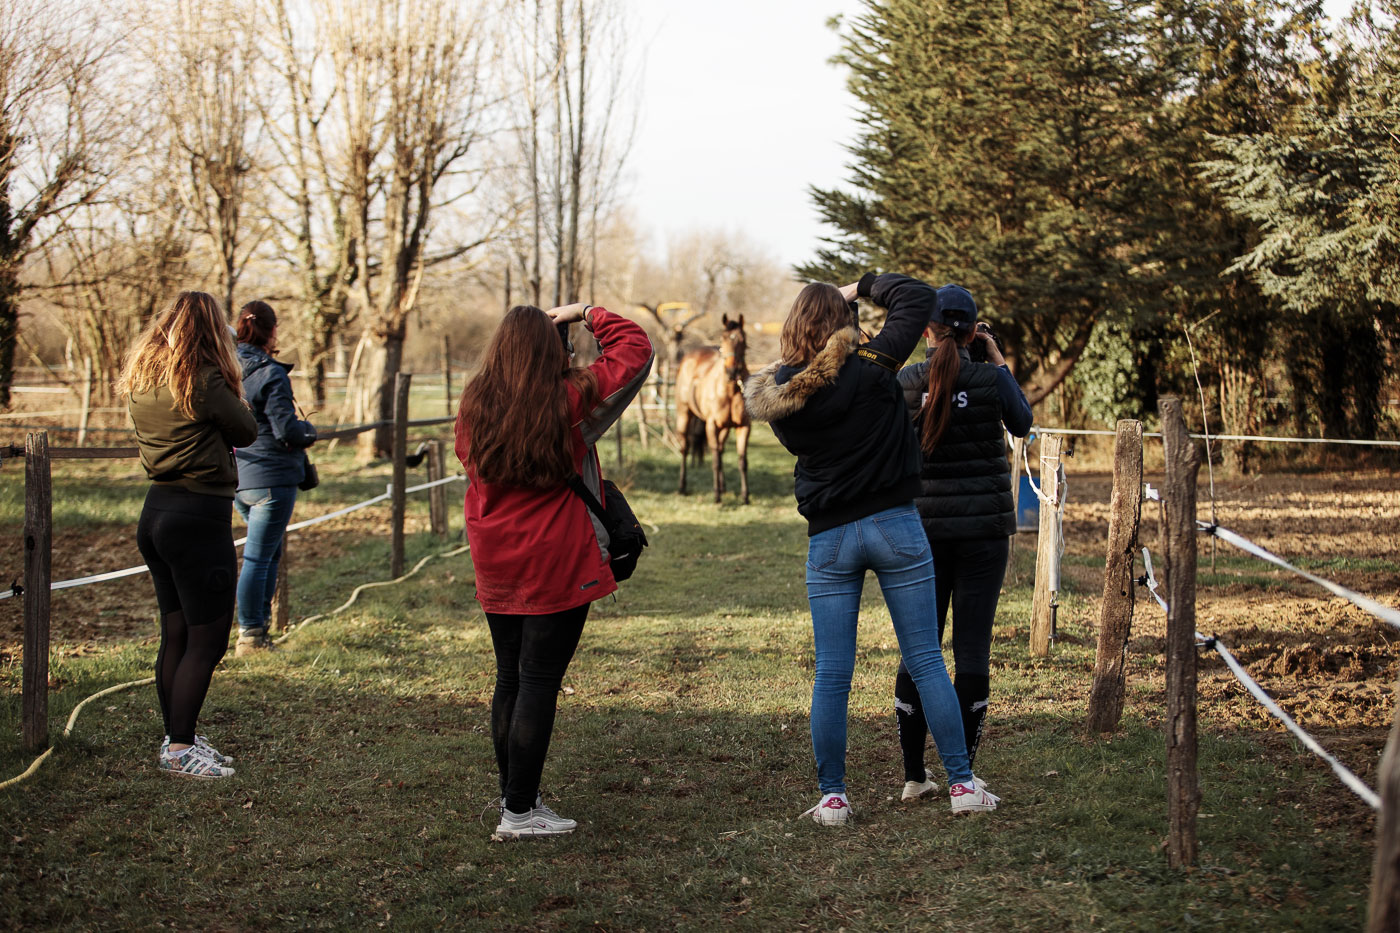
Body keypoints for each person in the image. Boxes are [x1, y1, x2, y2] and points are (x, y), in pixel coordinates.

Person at [745, 273, 1000, 824]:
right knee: (927, 659)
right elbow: (918, 298)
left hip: (830, 540)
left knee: (833, 674)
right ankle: (961, 784)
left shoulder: (782, 399)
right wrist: (859, 285)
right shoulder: (874, 363)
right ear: (842, 322)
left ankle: (833, 797)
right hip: (895, 526)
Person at [455, 302, 653, 840]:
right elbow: (635, 351)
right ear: (554, 352)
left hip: (495, 556)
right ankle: (519, 813)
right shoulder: (569, 401)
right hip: (556, 559)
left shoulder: (474, 405)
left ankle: (518, 799)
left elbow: (471, 465)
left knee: (510, 678)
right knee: (538, 681)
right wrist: (588, 312)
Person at [892, 284, 1033, 802]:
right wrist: (996, 360)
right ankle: (963, 776)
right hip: (983, 536)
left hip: (920, 532)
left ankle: (914, 776)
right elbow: (1023, 423)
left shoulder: (907, 380)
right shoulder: (990, 379)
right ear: (975, 331)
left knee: (917, 650)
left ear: (926, 330)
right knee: (972, 651)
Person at [120, 290, 257, 779]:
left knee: (175, 631)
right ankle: (179, 748)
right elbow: (246, 430)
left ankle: (178, 734)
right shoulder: (201, 379)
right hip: (199, 516)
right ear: (210, 331)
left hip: (156, 512)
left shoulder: (143, 379)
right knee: (209, 638)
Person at [232, 300, 318, 656]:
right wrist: (308, 430)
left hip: (240, 475)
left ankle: (258, 631)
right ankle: (251, 634)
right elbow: (286, 430)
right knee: (258, 556)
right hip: (272, 476)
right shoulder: (270, 373)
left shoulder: (226, 366)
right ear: (272, 331)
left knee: (267, 553)